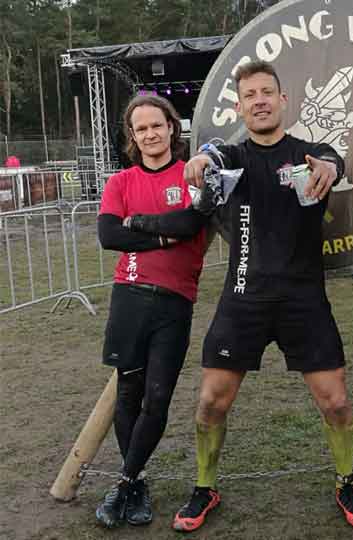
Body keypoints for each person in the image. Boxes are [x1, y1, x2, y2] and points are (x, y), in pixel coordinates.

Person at [130, 60, 353, 532]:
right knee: (210, 404)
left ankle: (346, 482)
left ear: (283, 100)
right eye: (249, 95)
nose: (259, 101)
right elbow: (211, 156)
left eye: (266, 92)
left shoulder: (309, 154)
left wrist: (329, 167)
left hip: (303, 301)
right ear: (239, 107)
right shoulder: (231, 156)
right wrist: (201, 160)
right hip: (243, 298)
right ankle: (205, 487)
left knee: (337, 403)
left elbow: (332, 158)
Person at [95, 94, 208, 528]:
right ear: (132, 135)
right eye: (140, 128)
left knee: (157, 398)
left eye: (156, 125)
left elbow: (190, 224)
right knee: (129, 395)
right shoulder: (121, 182)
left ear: (171, 127)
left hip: (175, 301)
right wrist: (162, 238)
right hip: (129, 295)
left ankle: (123, 483)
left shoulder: (190, 174)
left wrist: (139, 224)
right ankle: (136, 483)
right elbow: (109, 235)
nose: (150, 134)